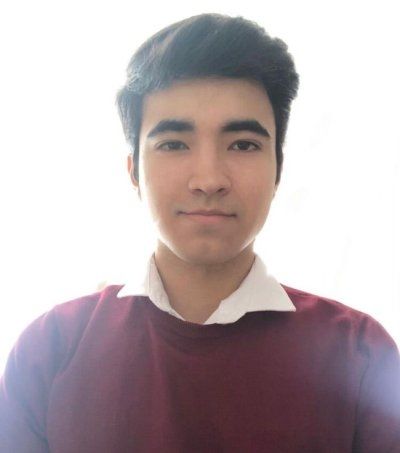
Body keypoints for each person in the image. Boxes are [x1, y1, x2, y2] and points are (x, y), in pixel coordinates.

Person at [1, 13, 399, 453]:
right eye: (173, 144)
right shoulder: (49, 351)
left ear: (278, 169)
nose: (209, 180)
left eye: (243, 144)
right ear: (133, 171)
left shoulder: (361, 355)